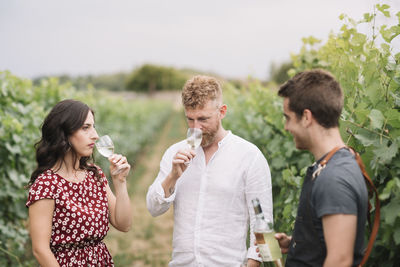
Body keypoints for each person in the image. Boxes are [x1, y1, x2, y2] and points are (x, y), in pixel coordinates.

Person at [146, 75, 273, 267]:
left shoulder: (250, 156)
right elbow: (154, 208)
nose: (196, 128)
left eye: (203, 119)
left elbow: (262, 222)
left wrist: (252, 263)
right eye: (190, 119)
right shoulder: (174, 153)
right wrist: (172, 177)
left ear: (222, 112)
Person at [274, 69, 368, 266]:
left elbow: (340, 260)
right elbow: (330, 242)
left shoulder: (334, 178)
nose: (286, 127)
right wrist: (296, 245)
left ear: (306, 117)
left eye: (288, 117)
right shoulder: (334, 165)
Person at [26, 99, 132, 266]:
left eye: (93, 126)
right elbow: (40, 250)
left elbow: (124, 224)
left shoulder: (94, 174)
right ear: (64, 133)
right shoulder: (46, 184)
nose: (95, 135)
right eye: (85, 128)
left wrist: (120, 182)